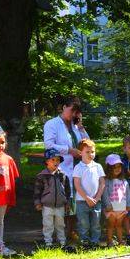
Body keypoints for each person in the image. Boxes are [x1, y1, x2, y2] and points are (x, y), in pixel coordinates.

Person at [43, 96, 89, 243]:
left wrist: (81, 127)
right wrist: (68, 150)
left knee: (76, 202)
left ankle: (71, 233)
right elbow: (48, 145)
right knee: (63, 203)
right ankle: (60, 236)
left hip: (78, 170)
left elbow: (88, 144)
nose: (74, 114)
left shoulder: (75, 127)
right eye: (72, 110)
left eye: (77, 112)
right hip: (61, 170)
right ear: (64, 107)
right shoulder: (52, 124)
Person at [34, 149, 71, 248]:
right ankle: (48, 242)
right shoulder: (42, 176)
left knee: (60, 224)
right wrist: (37, 203)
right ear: (47, 161)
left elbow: (67, 190)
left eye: (58, 160)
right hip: (46, 205)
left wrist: (67, 203)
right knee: (47, 224)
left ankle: (62, 242)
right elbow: (37, 191)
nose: (56, 162)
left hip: (60, 205)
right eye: (53, 160)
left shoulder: (63, 175)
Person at [72, 138, 105, 247]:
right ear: (80, 153)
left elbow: (102, 183)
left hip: (96, 201)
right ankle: (84, 241)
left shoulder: (98, 166)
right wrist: (87, 198)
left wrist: (97, 197)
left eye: (92, 152)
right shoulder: (78, 167)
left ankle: (95, 241)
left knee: (96, 223)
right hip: (82, 201)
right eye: (87, 152)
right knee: (83, 223)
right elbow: (77, 185)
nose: (91, 154)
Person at [101, 154, 130, 247]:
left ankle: (120, 242)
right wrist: (107, 205)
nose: (117, 169)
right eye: (114, 167)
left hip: (121, 208)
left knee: (119, 225)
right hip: (111, 209)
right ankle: (109, 242)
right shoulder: (106, 181)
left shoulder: (124, 181)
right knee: (110, 225)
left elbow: (128, 194)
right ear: (109, 168)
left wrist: (128, 204)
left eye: (119, 167)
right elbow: (104, 194)